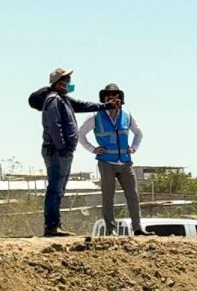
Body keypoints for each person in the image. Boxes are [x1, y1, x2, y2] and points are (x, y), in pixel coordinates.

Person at [38, 68, 115, 237]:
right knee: (55, 188)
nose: (70, 83)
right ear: (59, 82)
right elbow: (54, 126)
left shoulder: (63, 99)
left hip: (61, 151)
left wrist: (106, 106)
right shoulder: (53, 100)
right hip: (56, 151)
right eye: (67, 80)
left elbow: (84, 105)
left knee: (59, 188)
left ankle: (55, 224)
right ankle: (51, 226)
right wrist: (62, 148)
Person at [78, 83, 147, 236]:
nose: (113, 99)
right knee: (108, 196)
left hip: (125, 162)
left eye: (116, 96)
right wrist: (92, 148)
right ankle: (111, 229)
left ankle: (137, 228)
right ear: (104, 100)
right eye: (109, 96)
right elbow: (80, 134)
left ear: (121, 99)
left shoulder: (127, 116)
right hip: (106, 162)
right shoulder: (95, 117)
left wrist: (134, 148)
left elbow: (139, 133)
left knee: (133, 196)